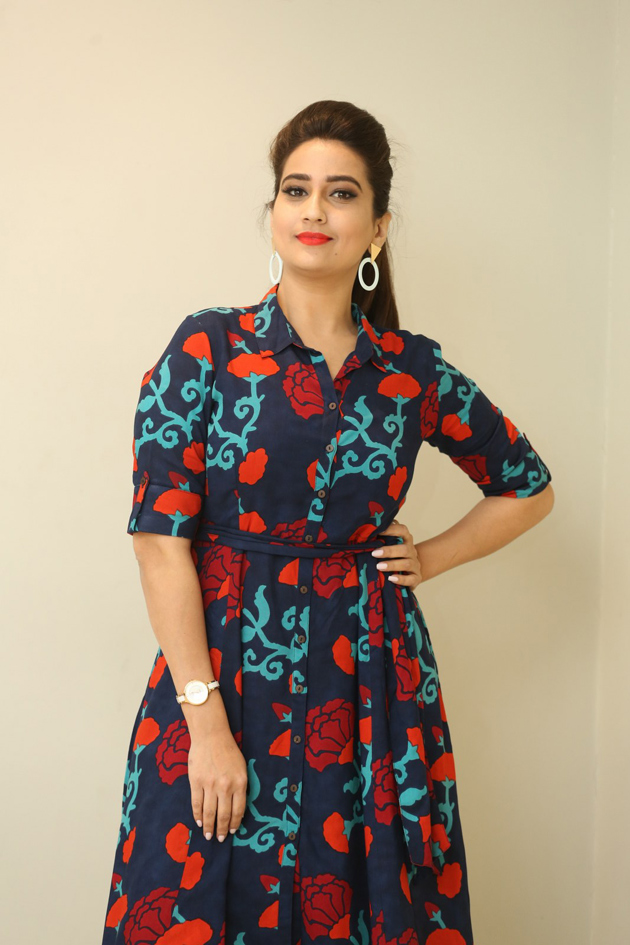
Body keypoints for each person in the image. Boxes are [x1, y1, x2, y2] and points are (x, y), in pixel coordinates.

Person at [101, 100, 554, 945]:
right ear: (274, 211)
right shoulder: (207, 350)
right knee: (195, 895)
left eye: (341, 193)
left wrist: (431, 557)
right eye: (296, 189)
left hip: (371, 688)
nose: (314, 209)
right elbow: (160, 544)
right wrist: (205, 721)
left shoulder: (410, 371)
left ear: (377, 227)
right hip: (224, 682)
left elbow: (526, 486)